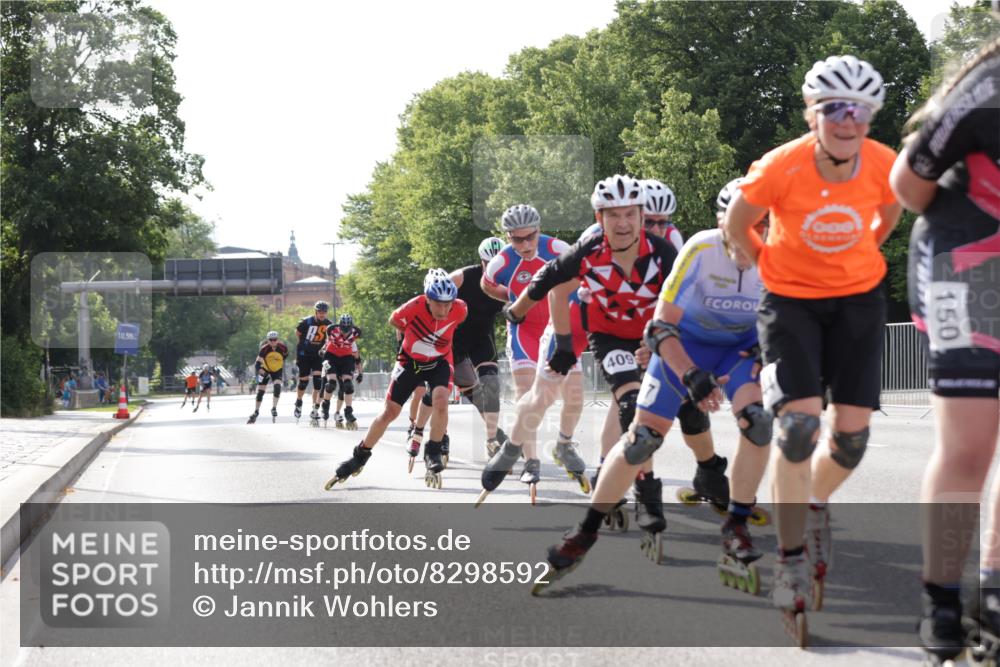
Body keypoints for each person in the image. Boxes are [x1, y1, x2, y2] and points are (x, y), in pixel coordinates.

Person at [725, 55, 901, 638]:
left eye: (861, 111)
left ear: (870, 117)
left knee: (851, 440)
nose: (847, 121)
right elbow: (737, 225)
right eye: (835, 109)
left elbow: (889, 213)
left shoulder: (883, 163)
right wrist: (767, 265)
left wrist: (861, 254)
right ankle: (791, 559)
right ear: (813, 114)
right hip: (791, 302)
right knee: (798, 427)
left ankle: (815, 502)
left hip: (858, 299)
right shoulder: (781, 166)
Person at [888, 36, 1000, 662]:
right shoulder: (991, 85)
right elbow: (907, 184)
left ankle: (996, 592)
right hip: (964, 260)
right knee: (971, 445)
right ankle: (941, 601)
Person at [488, 174, 677, 518]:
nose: (655, 229)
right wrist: (559, 342)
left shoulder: (668, 246)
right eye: (650, 222)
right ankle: (513, 447)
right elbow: (556, 288)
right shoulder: (595, 242)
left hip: (629, 324)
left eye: (660, 223)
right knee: (544, 394)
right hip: (577, 318)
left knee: (627, 404)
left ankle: (606, 470)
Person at [635, 182, 772, 578]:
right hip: (675, 335)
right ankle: (645, 496)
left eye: (760, 224)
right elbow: (658, 319)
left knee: (757, 422)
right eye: (650, 222)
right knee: (641, 421)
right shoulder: (698, 246)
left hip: (734, 347)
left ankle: (733, 519)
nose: (657, 229)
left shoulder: (774, 250)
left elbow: (785, 311)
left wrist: (772, 345)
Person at [325, 270, 466, 490]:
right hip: (410, 361)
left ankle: (434, 450)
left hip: (439, 361)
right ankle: (360, 455)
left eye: (448, 304)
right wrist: (411, 333)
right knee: (390, 412)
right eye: (438, 304)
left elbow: (456, 322)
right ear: (427, 298)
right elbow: (394, 319)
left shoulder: (460, 308)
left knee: (441, 400)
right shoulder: (413, 306)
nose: (444, 309)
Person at [482, 205, 586, 489]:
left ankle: (564, 444)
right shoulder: (500, 263)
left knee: (575, 395)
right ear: (508, 237)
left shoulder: (558, 248)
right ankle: (530, 461)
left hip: (557, 327)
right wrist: (512, 298)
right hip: (524, 332)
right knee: (526, 396)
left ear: (539, 230)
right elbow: (487, 285)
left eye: (532, 236)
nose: (526, 245)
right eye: (517, 239)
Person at [406, 237, 509, 464]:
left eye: (498, 263)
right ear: (481, 261)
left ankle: (492, 438)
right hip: (453, 341)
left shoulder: (509, 279)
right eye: (487, 263)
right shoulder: (463, 277)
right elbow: (431, 298)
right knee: (441, 392)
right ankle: (423, 431)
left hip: (482, 339)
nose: (493, 269)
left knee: (491, 384)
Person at [320, 313, 363, 428]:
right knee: (331, 384)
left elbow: (357, 355)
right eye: (343, 329)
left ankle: (348, 412)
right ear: (339, 326)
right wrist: (323, 349)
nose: (345, 332)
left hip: (346, 358)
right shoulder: (331, 330)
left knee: (348, 385)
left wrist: (360, 372)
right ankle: (325, 405)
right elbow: (326, 342)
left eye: (347, 329)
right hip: (331, 356)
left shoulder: (356, 332)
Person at [294, 301, 332, 425]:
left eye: (324, 312)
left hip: (318, 355)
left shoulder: (329, 324)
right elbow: (298, 333)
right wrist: (304, 346)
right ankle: (299, 402)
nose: (322, 314)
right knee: (304, 381)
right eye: (320, 312)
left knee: (318, 383)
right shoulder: (305, 322)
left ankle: (314, 409)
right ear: (315, 312)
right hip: (304, 355)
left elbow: (330, 339)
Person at [248, 331, 289, 424]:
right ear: (268, 340)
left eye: (275, 340)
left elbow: (285, 356)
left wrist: (277, 363)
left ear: (278, 340)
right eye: (271, 340)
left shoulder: (283, 348)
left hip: (277, 369)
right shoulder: (264, 349)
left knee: (278, 387)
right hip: (265, 369)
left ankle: (274, 408)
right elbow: (257, 363)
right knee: (260, 392)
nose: (273, 342)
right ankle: (256, 411)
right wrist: (260, 370)